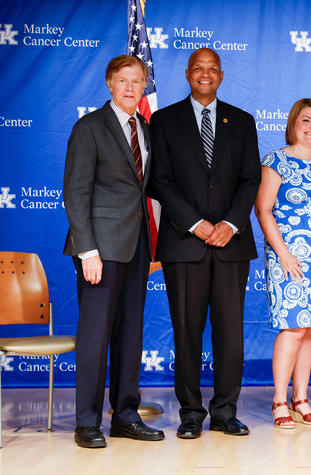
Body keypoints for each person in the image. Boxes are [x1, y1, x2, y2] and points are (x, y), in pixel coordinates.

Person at [149, 48, 261, 439]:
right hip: (184, 245)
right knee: (187, 331)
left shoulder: (243, 121)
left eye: (212, 69)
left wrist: (230, 223)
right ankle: (191, 413)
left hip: (231, 245)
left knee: (230, 333)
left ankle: (226, 412)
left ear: (222, 75)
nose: (205, 74)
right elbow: (159, 180)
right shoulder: (163, 121)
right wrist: (196, 224)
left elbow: (250, 180)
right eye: (198, 69)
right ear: (187, 74)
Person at [63, 55, 165, 448]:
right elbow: (75, 193)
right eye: (122, 80)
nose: (129, 87)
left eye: (136, 81)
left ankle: (124, 415)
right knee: (94, 337)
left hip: (137, 247)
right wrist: (87, 251)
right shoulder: (89, 127)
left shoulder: (145, 128)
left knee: (130, 335)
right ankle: (86, 422)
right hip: (99, 252)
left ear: (143, 86)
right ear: (109, 83)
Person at [255, 98, 311, 429]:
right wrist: (284, 254)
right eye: (306, 120)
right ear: (294, 123)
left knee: (309, 328)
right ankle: (279, 400)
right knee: (292, 327)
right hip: (287, 254)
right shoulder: (275, 161)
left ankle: (301, 398)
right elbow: (263, 210)